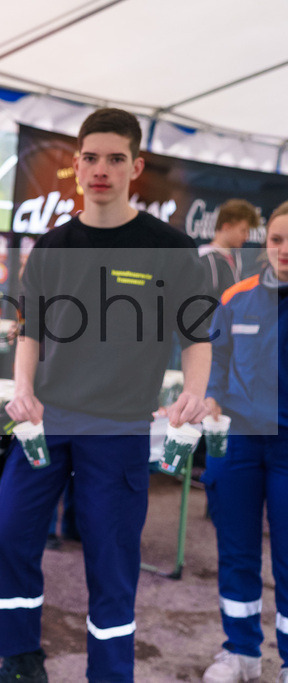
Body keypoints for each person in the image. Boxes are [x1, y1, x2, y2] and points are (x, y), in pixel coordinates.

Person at [0, 108, 212, 683]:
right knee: (9, 535)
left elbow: (197, 337)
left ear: (136, 166)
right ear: (75, 165)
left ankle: (110, 674)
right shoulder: (51, 248)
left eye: (113, 158)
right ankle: (21, 661)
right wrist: (24, 390)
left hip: (119, 426)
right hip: (46, 423)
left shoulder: (173, 250)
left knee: (111, 561)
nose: (99, 169)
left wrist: (196, 397)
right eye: (89, 157)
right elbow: (29, 333)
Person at [199, 200, 288, 683]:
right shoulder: (237, 296)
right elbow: (213, 358)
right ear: (264, 243)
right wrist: (210, 397)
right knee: (236, 551)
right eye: (276, 239)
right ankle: (241, 654)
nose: (284, 249)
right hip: (237, 444)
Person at [198, 199, 259, 299]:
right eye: (243, 231)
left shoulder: (236, 258)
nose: (246, 237)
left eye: (248, 232)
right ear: (226, 227)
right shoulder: (207, 259)